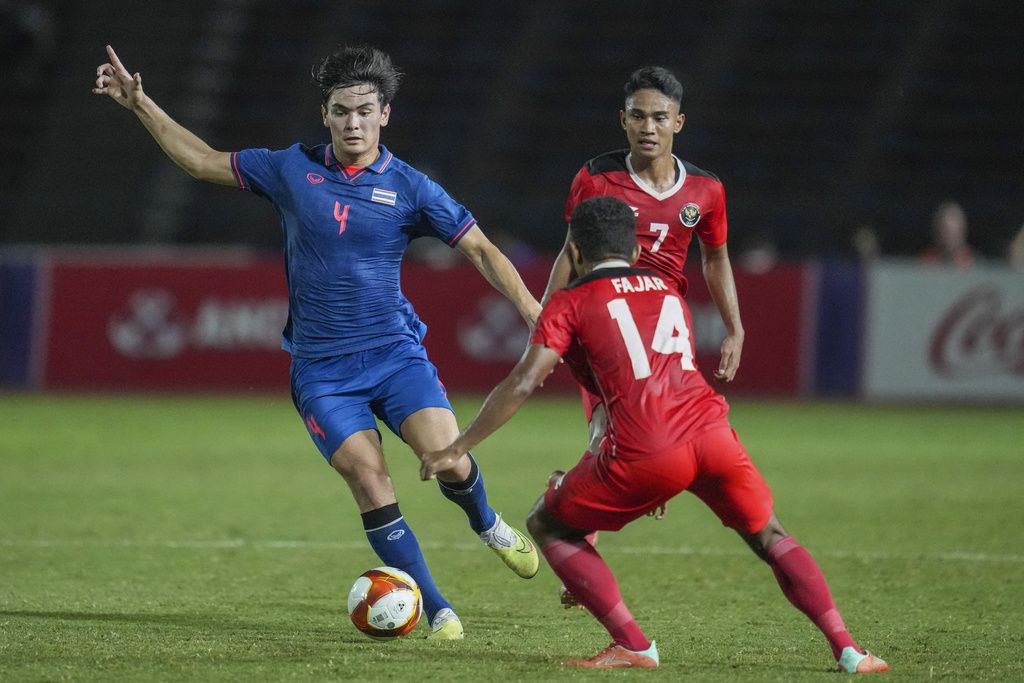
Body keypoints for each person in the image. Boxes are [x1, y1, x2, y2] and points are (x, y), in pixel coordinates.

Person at [93, 44, 541, 640]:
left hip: (395, 356)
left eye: (363, 110)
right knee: (370, 478)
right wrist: (140, 103)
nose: (352, 123)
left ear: (384, 114)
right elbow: (201, 161)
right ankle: (437, 608)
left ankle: (488, 524)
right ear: (324, 115)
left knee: (449, 458)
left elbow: (481, 248)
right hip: (322, 371)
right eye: (340, 111)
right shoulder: (289, 168)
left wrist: (531, 309)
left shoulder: (411, 187)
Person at [420, 196, 889, 673]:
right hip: (713, 435)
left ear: (576, 253)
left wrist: (458, 447)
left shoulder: (569, 303)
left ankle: (634, 644)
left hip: (649, 450)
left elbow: (525, 382)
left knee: (546, 523)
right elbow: (653, 383)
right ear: (635, 250)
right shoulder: (668, 290)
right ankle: (850, 650)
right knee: (770, 534)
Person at [921, 200, 975, 269]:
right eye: (945, 232)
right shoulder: (926, 263)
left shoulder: (974, 264)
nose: (949, 238)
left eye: (954, 233)